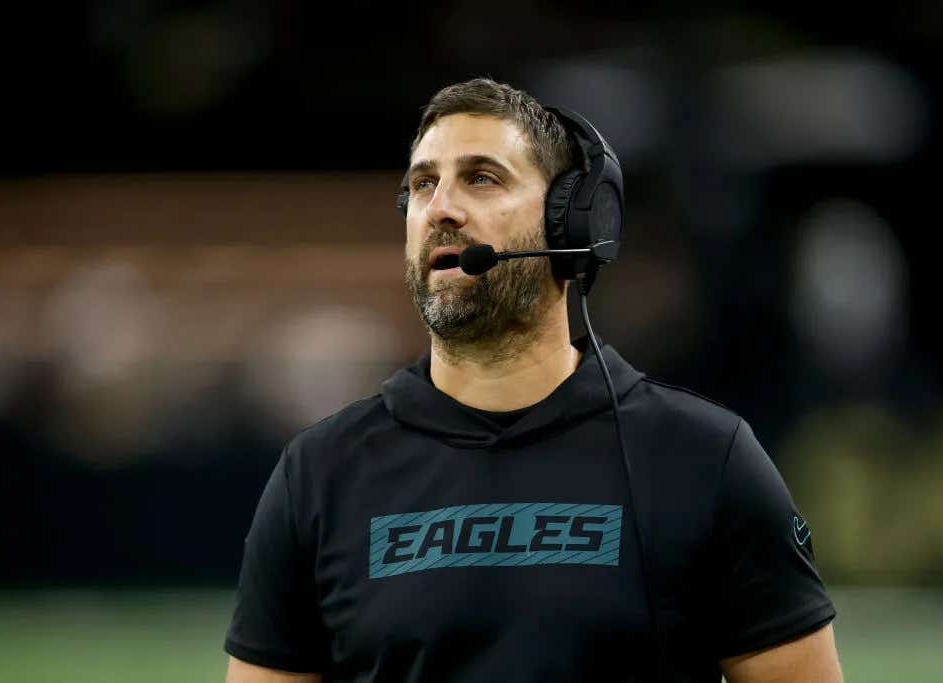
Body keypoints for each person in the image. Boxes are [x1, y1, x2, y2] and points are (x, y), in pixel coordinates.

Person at [224, 78, 843, 683]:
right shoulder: (318, 475)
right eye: (422, 184)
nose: (441, 208)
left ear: (571, 221)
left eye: (482, 177)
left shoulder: (707, 459)